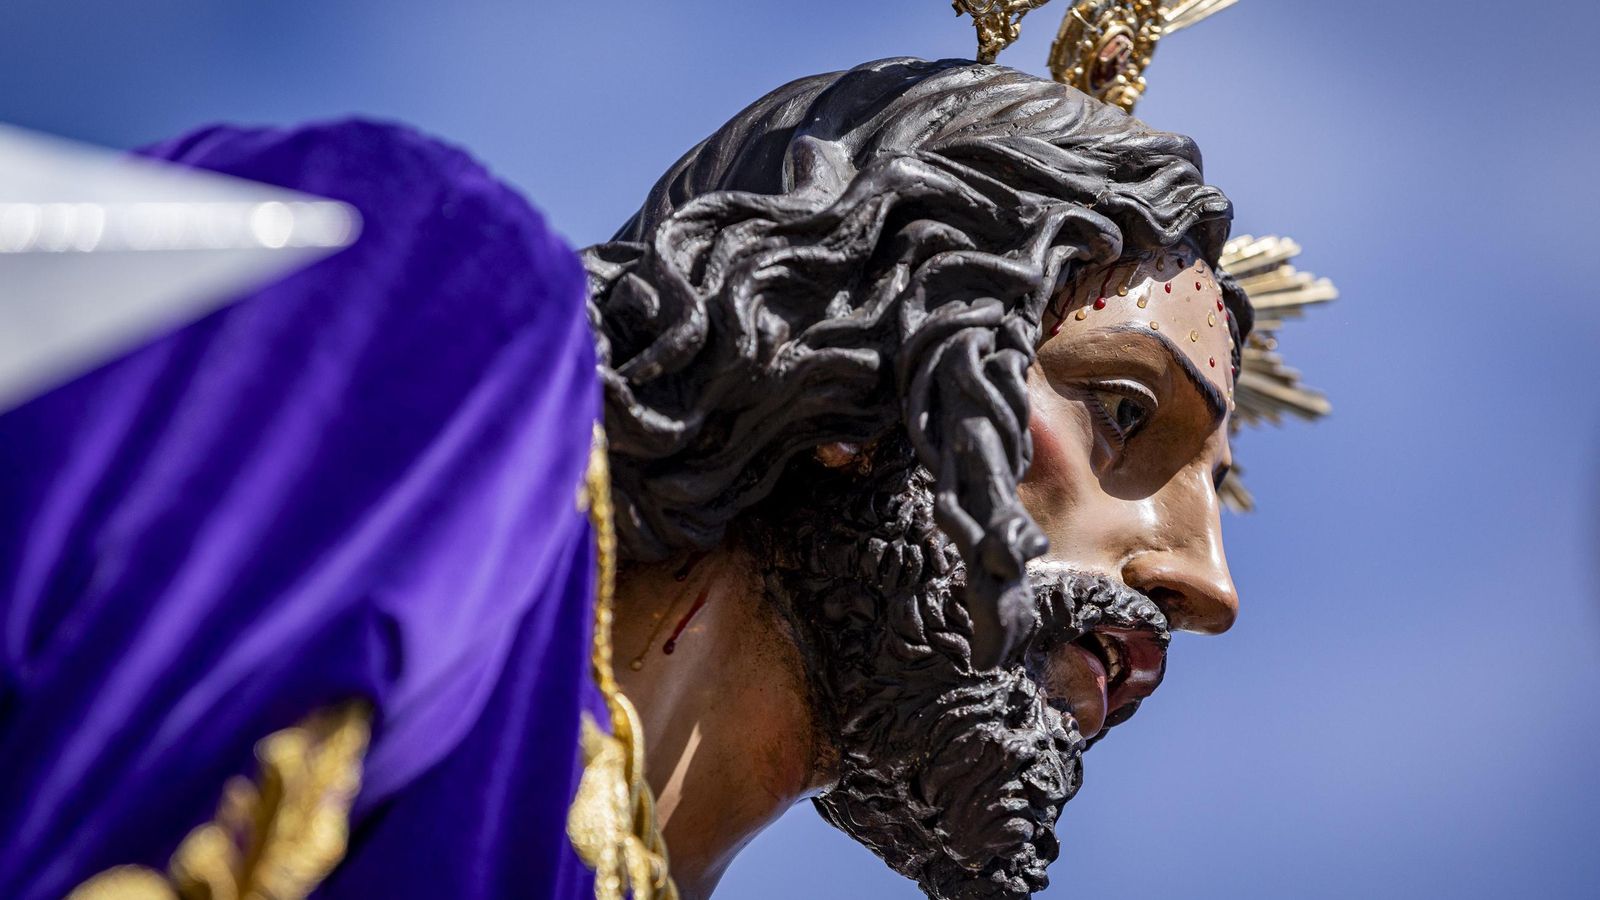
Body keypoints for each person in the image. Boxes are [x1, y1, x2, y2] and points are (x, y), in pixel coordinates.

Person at [0, 55, 1324, 900]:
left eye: (1215, 492)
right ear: (866, 350)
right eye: (1121, 413)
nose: (1207, 586)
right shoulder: (436, 312)